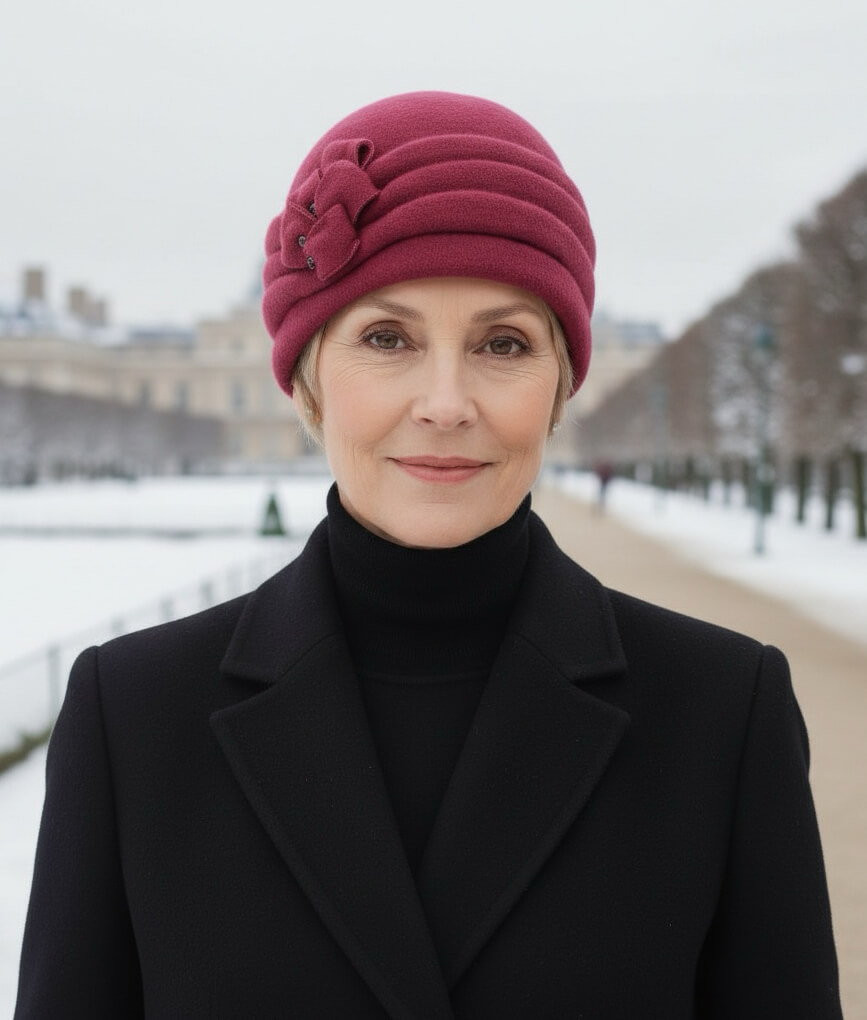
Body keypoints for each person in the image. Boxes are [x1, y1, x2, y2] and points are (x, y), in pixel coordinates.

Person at [16, 91, 842, 1019]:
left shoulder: (723, 714)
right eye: (386, 338)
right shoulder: (132, 716)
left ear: (561, 388)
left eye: (503, 343)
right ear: (307, 381)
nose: (446, 404)